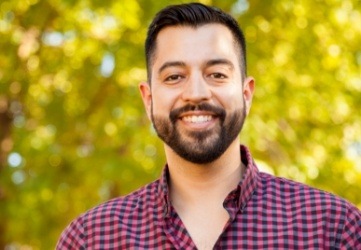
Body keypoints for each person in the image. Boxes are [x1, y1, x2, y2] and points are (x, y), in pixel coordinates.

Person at [56, 3, 361, 249]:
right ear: (148, 100)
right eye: (175, 76)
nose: (197, 93)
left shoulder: (333, 229)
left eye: (216, 74)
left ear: (246, 94)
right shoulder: (89, 239)